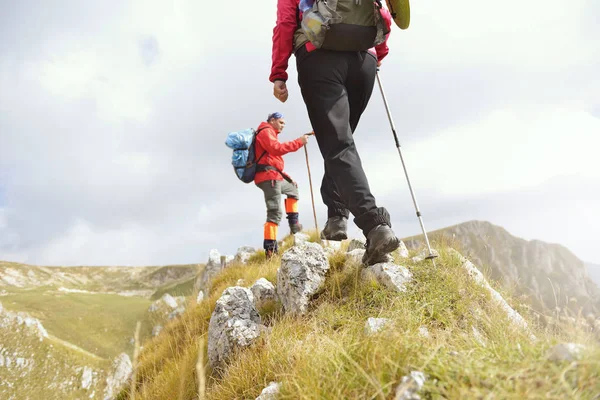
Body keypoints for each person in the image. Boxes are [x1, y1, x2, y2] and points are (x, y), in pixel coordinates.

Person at [268, 1, 399, 266]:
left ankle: (374, 225)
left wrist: (278, 73)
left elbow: (285, 23)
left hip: (319, 55)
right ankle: (337, 214)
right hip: (364, 59)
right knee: (341, 141)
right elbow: (383, 14)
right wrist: (379, 53)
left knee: (337, 145)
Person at [254, 112, 312, 259]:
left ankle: (295, 227)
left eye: (284, 123)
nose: (283, 126)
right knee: (275, 213)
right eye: (281, 122)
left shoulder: (270, 133)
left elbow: (272, 160)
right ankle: (270, 250)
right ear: (272, 120)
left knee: (293, 189)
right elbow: (276, 149)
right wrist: (298, 142)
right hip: (268, 178)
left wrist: (287, 178)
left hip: (274, 176)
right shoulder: (265, 131)